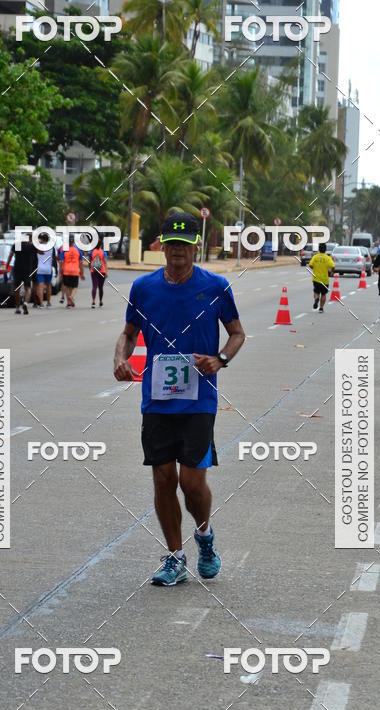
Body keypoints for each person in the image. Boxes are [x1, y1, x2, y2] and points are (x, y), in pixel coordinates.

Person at [113, 212, 245, 587]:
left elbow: (237, 334)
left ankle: (204, 536)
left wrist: (219, 359)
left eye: (185, 246)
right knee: (163, 478)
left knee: (191, 483)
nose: (178, 252)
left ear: (195, 248)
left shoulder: (216, 286)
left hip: (199, 401)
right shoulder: (143, 288)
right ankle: (174, 556)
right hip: (156, 400)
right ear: (162, 246)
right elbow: (128, 334)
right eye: (171, 245)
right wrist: (120, 358)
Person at [6, 235, 37, 315]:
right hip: (27, 270)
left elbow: (10, 255)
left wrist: (7, 265)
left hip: (17, 269)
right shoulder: (31, 246)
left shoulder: (16, 245)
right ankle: (26, 303)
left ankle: (17, 307)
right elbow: (41, 252)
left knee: (17, 289)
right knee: (28, 288)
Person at [33, 232, 58, 308]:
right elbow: (54, 259)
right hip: (48, 269)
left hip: (40, 268)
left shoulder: (38, 247)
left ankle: (41, 303)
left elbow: (34, 258)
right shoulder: (51, 248)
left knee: (40, 286)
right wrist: (56, 269)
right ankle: (48, 303)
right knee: (48, 286)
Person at [309, 242, 335, 313]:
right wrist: (332, 272)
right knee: (323, 294)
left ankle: (316, 299)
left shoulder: (315, 257)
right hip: (325, 279)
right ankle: (321, 308)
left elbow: (310, 265)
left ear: (319, 249)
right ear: (325, 249)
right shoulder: (327, 258)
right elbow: (333, 266)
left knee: (316, 292)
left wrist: (315, 268)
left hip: (316, 279)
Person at [59, 237, 85, 307]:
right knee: (75, 286)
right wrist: (82, 273)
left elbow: (61, 262)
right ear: (73, 242)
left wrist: (60, 272)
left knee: (67, 286)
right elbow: (81, 263)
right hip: (75, 270)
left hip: (66, 270)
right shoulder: (78, 250)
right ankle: (72, 296)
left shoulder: (64, 250)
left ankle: (68, 303)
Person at [89, 237, 107, 308]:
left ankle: (93, 301)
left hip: (94, 271)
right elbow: (105, 263)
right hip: (102, 271)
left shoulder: (92, 252)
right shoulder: (103, 252)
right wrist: (107, 272)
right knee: (101, 287)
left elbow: (90, 261)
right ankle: (100, 301)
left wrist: (90, 268)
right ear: (101, 245)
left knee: (94, 286)